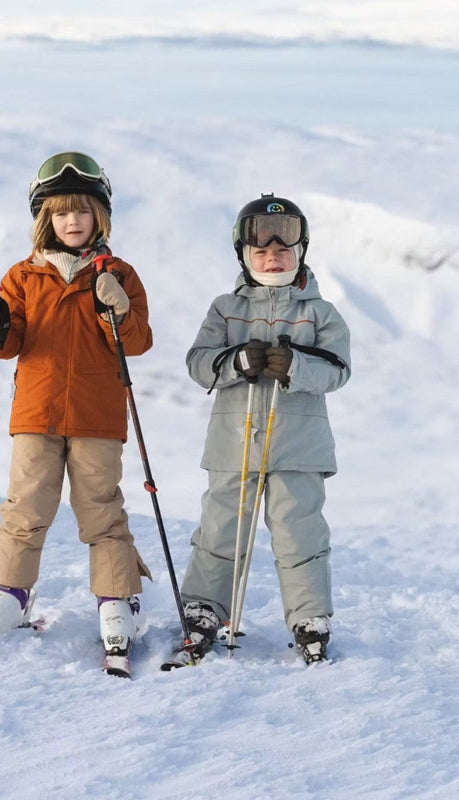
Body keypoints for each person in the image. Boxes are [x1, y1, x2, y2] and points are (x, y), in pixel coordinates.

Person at [0, 152, 152, 665]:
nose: (73, 221)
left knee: (102, 511)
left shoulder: (119, 274)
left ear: (100, 217)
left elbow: (136, 343)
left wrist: (120, 309)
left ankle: (116, 601)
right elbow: (10, 341)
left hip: (96, 415)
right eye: (61, 212)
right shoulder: (23, 275)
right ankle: (10, 593)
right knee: (25, 507)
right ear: (45, 218)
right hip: (36, 414)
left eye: (83, 211)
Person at [176, 193, 351, 665]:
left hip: (300, 448)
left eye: (284, 245)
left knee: (300, 533)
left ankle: (309, 618)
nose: (273, 253)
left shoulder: (321, 313)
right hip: (234, 444)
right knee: (221, 528)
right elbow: (197, 364)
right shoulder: (224, 308)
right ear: (244, 253)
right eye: (261, 248)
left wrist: (295, 365)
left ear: (301, 250)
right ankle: (204, 609)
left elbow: (337, 370)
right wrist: (235, 361)